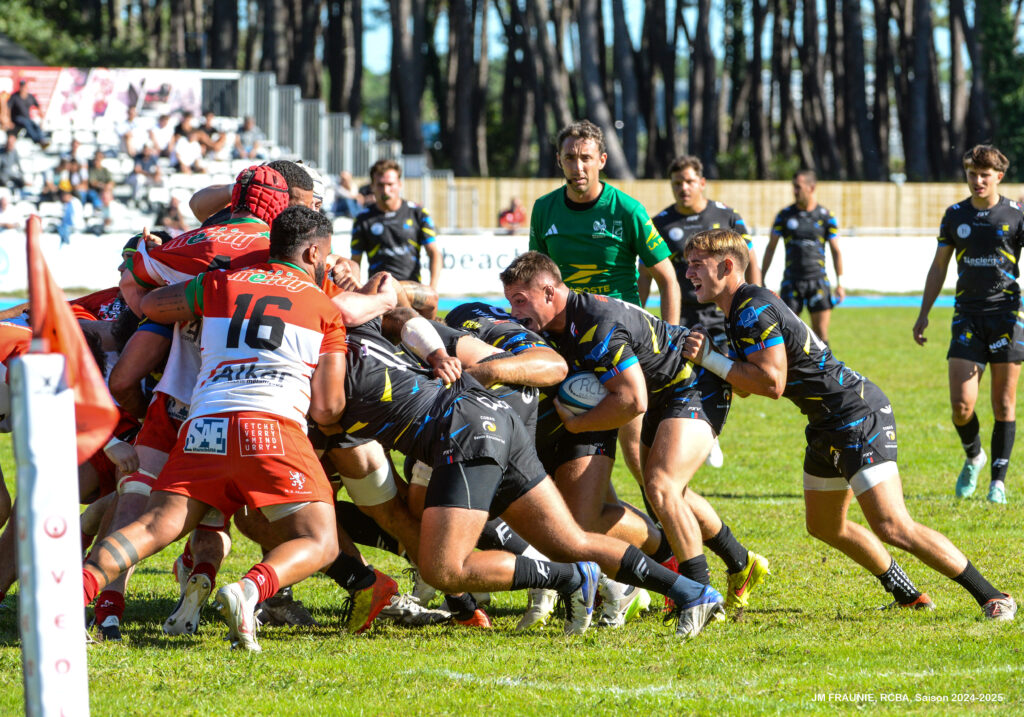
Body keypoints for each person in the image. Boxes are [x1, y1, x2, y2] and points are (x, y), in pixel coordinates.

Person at [683, 227, 1017, 621]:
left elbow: (773, 384)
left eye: (695, 264)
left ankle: (993, 595)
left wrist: (710, 360)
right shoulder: (739, 309)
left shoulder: (751, 308)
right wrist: (715, 361)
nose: (688, 273)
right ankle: (909, 595)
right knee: (824, 524)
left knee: (893, 525)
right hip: (827, 422)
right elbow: (747, 386)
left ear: (725, 266)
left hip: (856, 414)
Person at [326, 314, 725, 639]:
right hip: (497, 416)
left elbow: (328, 416)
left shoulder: (322, 363)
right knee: (572, 540)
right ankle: (693, 593)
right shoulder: (356, 324)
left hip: (462, 433)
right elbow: (400, 314)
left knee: (443, 568)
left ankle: (570, 578)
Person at [83, 206, 350, 652]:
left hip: (202, 424)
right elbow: (327, 407)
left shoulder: (218, 284)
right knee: (320, 540)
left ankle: (76, 591)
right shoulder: (324, 307)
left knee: (154, 526)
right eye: (324, 255)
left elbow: (151, 305)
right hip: (272, 427)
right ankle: (249, 590)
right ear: (311, 250)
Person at [502, 252, 768, 617]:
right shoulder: (555, 324)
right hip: (659, 391)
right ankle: (740, 561)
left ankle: (699, 593)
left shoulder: (596, 324)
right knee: (659, 490)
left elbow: (631, 401)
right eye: (509, 302)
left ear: (549, 292)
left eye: (520, 300)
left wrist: (578, 424)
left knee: (661, 485)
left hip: (693, 383)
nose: (515, 312)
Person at [529, 119, 681, 489]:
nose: (577, 167)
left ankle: (667, 528)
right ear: (559, 160)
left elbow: (668, 279)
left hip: (618, 340)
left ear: (602, 160)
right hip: (564, 340)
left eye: (585, 158)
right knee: (561, 442)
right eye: (569, 158)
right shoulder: (544, 208)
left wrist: (671, 336)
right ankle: (590, 517)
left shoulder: (626, 209)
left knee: (634, 450)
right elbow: (535, 277)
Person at [913, 145, 1024, 505]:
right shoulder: (954, 215)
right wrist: (924, 312)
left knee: (1004, 405)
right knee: (962, 406)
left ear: (998, 177)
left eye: (984, 175)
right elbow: (939, 266)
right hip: (967, 317)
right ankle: (974, 455)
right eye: (972, 174)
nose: (977, 181)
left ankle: (998, 482)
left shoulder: (1015, 215)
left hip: (1007, 316)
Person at [761, 169, 845, 345]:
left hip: (818, 282)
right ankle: (789, 373)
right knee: (786, 334)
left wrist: (840, 283)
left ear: (811, 187)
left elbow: (836, 250)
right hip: (792, 282)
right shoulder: (784, 216)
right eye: (794, 187)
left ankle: (823, 373)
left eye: (798, 187)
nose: (795, 191)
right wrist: (761, 277)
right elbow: (771, 248)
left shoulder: (826, 216)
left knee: (821, 336)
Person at [351, 159, 441, 291]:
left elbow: (434, 253)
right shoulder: (362, 219)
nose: (386, 190)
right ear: (372, 187)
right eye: (380, 185)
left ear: (399, 184)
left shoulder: (418, 213)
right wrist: (357, 290)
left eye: (390, 184)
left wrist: (432, 287)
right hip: (379, 292)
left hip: (412, 291)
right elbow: (355, 261)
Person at [7, 80, 47, 147]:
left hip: (27, 118)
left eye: (24, 87)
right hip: (16, 118)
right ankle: (37, 140)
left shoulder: (30, 97)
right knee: (27, 123)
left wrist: (41, 114)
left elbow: (38, 105)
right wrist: (9, 121)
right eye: (21, 87)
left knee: (35, 125)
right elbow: (8, 108)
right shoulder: (14, 96)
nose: (23, 88)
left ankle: (42, 139)